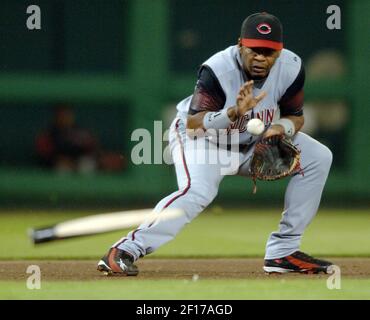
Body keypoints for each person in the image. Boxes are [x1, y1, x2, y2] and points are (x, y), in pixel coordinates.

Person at [97, 12, 333, 276]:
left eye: (269, 52)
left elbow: (296, 117)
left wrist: (279, 129)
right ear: (240, 44)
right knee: (198, 191)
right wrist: (233, 112)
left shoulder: (291, 67)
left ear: (280, 51)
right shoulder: (218, 68)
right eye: (254, 49)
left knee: (319, 157)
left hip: (251, 140)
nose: (260, 57)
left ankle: (283, 253)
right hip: (203, 141)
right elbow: (193, 123)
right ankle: (125, 250)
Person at [35, 105, 126, 173]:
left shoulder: (81, 132)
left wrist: (77, 162)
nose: (65, 117)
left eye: (67, 114)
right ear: (56, 117)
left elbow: (93, 150)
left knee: (86, 165)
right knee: (63, 168)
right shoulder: (48, 134)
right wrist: (57, 160)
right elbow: (44, 155)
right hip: (58, 167)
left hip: (81, 164)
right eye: (62, 115)